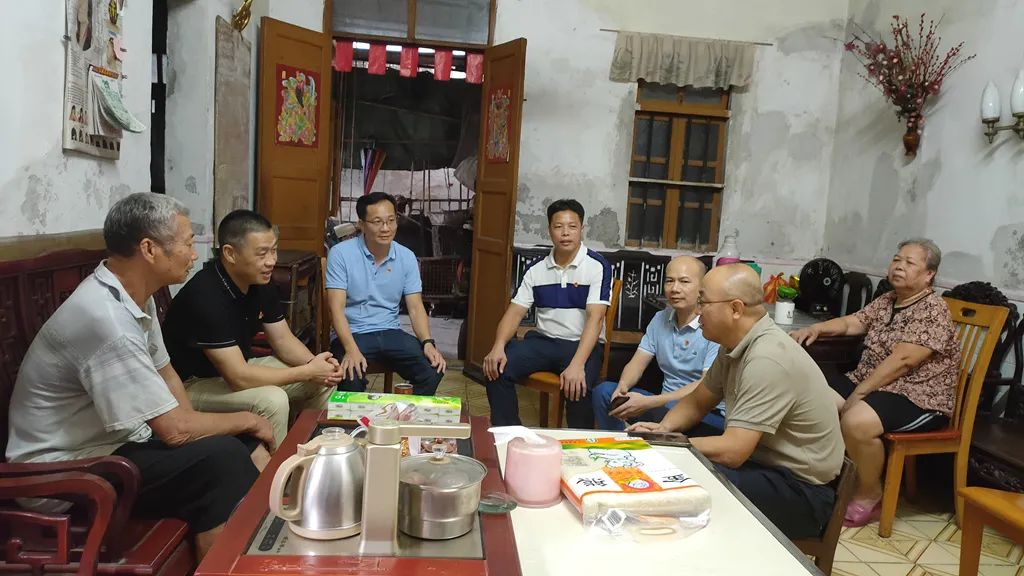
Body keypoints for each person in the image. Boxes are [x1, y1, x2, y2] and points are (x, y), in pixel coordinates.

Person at [6, 193, 275, 560]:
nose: (193, 253)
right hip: (62, 475)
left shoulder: (134, 297)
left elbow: (168, 375)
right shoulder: (106, 320)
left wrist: (214, 427)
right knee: (222, 462)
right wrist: (248, 419)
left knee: (239, 443)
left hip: (109, 446)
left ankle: (260, 552)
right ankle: (223, 566)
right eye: (186, 243)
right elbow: (174, 430)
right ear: (150, 249)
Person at [629, 264, 844, 540]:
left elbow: (733, 451)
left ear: (736, 309)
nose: (697, 311)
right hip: (761, 463)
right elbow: (697, 402)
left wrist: (669, 444)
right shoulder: (733, 344)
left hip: (801, 491)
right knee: (661, 429)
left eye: (703, 302)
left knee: (692, 480)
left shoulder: (767, 358)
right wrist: (663, 431)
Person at [790, 238, 959, 527]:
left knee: (857, 422)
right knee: (813, 399)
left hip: (918, 395)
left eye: (909, 262)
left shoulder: (933, 310)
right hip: (875, 383)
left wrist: (860, 392)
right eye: (897, 259)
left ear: (929, 274)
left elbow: (903, 360)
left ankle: (869, 494)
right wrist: (817, 328)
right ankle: (828, 476)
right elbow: (853, 322)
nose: (899, 266)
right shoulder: (889, 300)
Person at [163, 210, 342, 445]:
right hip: (189, 386)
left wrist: (316, 365)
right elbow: (238, 377)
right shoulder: (206, 295)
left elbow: (283, 340)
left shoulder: (260, 280)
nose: (271, 261)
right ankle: (276, 466)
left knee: (323, 382)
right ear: (230, 253)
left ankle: (314, 451)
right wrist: (307, 371)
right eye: (262, 253)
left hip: (235, 369)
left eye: (274, 250)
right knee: (273, 400)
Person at [483, 199, 612, 429]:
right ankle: (510, 434)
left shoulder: (597, 266)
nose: (565, 233)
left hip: (581, 345)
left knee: (579, 386)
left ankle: (577, 444)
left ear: (582, 229)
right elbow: (514, 313)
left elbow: (596, 318)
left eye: (572, 226)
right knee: (496, 368)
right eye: (558, 226)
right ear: (549, 230)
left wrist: (577, 364)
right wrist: (498, 346)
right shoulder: (535, 269)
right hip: (544, 342)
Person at [325, 192, 445, 394]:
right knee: (350, 375)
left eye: (391, 220)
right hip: (353, 334)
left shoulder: (406, 257)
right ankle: (361, 416)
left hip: (391, 332)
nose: (386, 228)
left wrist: (428, 343)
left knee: (433, 369)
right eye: (377, 222)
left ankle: (402, 413)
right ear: (361, 224)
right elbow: (336, 309)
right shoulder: (341, 254)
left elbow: (416, 308)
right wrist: (351, 349)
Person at [592, 256, 720, 431]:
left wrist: (650, 402)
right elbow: (637, 364)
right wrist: (623, 387)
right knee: (604, 392)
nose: (675, 288)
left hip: (704, 412)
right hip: (664, 404)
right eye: (669, 281)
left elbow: (705, 386)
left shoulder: (713, 325)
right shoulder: (660, 318)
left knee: (668, 409)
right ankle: (620, 443)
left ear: (702, 288)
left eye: (684, 282)